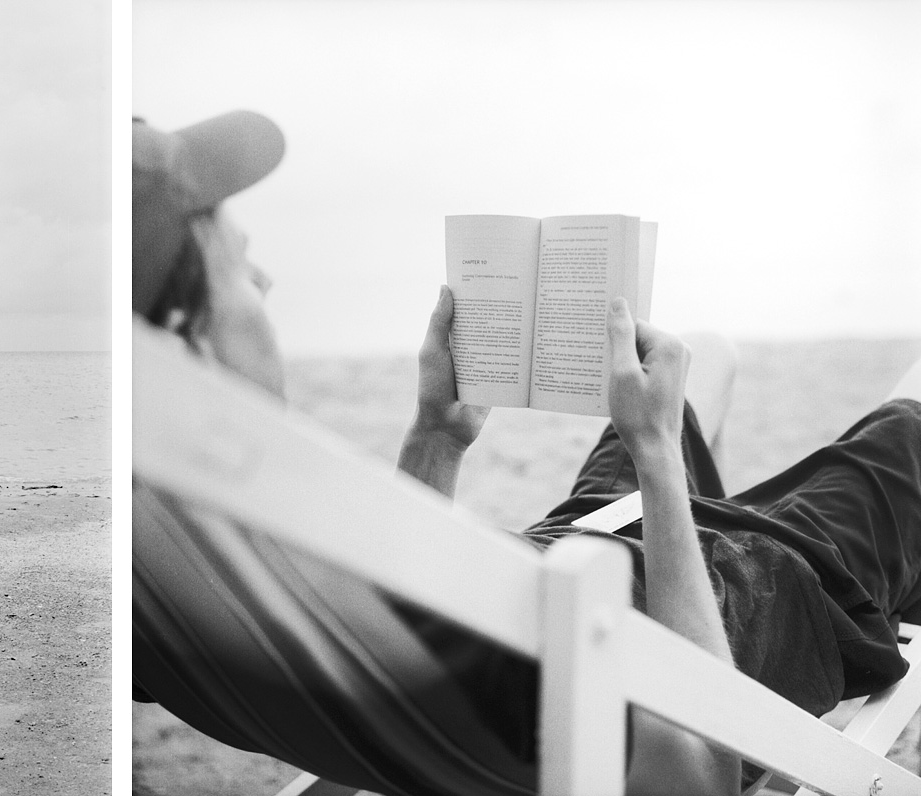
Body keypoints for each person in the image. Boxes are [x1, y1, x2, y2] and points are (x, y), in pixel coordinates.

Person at [132, 110, 921, 795]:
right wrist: (653, 457)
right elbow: (695, 776)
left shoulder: (164, 571)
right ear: (191, 336)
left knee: (703, 355)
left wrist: (435, 439)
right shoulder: (255, 554)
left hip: (568, 566)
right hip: (718, 599)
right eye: (240, 264)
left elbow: (394, 624)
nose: (265, 284)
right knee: (908, 433)